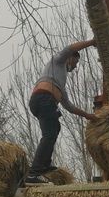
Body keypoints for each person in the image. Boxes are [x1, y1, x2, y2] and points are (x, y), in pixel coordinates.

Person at [25, 40, 96, 183]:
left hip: (46, 101)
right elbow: (70, 48)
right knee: (50, 133)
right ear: (70, 57)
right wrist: (92, 42)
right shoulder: (58, 61)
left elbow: (69, 106)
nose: (74, 67)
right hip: (44, 98)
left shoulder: (60, 81)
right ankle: (34, 172)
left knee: (55, 128)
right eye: (75, 63)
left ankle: (44, 164)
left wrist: (88, 116)